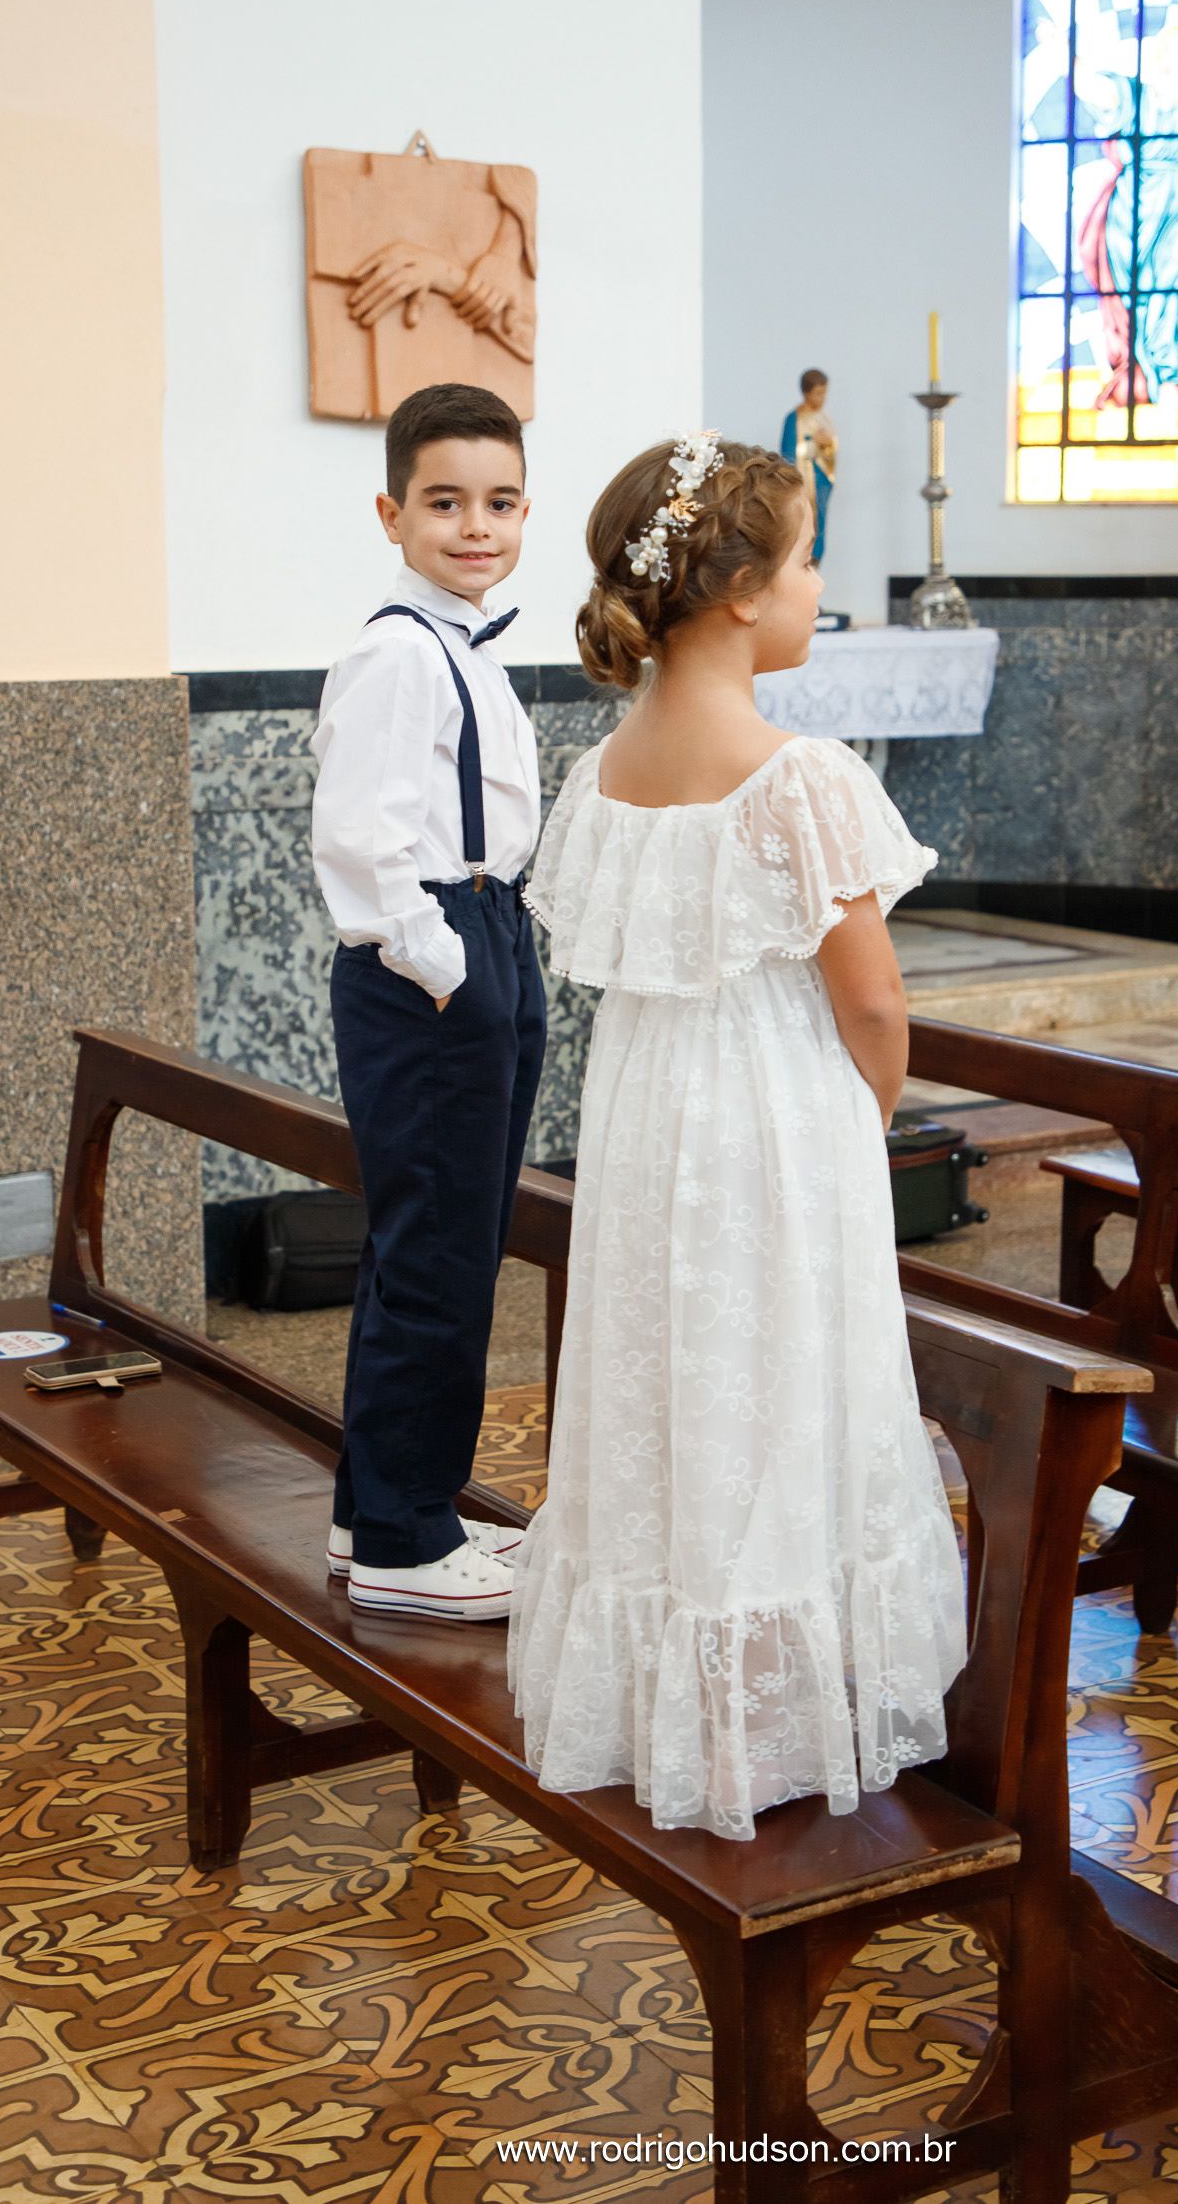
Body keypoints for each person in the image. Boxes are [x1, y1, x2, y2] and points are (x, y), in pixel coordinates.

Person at [507, 432, 966, 1839]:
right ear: (737, 595)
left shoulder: (605, 770)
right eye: (806, 556)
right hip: (777, 1120)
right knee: (786, 1389)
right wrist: (861, 1117)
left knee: (672, 1383)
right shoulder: (797, 777)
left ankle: (679, 1700)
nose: (818, 583)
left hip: (647, 1133)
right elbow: (871, 1001)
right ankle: (780, 1704)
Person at [311, 382, 546, 1618]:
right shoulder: (398, 651)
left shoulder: (456, 640)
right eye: (444, 501)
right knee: (439, 1256)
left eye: (499, 501)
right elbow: (359, 842)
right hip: (433, 962)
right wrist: (452, 968)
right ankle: (407, 1545)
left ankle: (381, 1509)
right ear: (390, 512)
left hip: (480, 934)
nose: (475, 525)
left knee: (440, 1246)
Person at [780, 369, 837, 560]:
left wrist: (829, 444)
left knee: (819, 525)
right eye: (818, 393)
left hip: (821, 481)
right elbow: (788, 454)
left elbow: (831, 450)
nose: (822, 398)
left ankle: (816, 563)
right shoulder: (793, 419)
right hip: (803, 483)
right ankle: (803, 563)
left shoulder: (824, 417)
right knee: (803, 525)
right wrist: (813, 443)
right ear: (806, 393)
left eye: (825, 393)